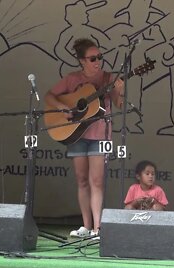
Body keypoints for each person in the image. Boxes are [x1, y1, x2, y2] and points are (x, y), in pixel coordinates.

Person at [45, 38, 124, 238]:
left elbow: (119, 105)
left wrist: (120, 91)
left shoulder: (108, 78)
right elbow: (49, 96)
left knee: (96, 181)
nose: (97, 61)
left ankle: (98, 228)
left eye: (99, 57)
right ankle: (86, 226)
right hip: (76, 133)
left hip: (100, 133)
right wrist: (62, 106)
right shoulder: (72, 79)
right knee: (82, 180)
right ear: (82, 61)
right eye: (92, 58)